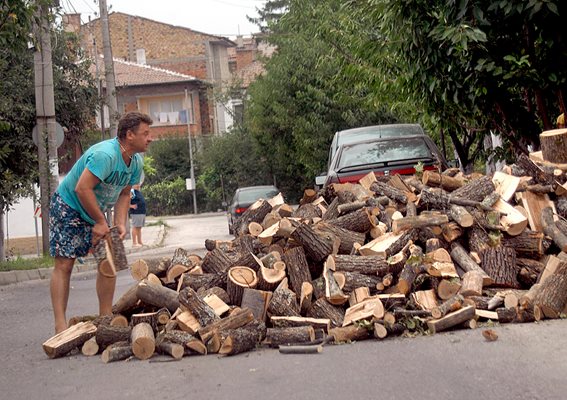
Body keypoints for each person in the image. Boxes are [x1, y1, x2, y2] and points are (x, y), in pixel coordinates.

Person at [49, 111, 153, 334]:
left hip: (95, 210)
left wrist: (119, 223)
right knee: (65, 264)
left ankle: (105, 318)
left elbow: (125, 194)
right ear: (129, 135)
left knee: (109, 261)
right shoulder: (105, 155)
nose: (150, 138)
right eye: (145, 133)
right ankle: (60, 325)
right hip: (69, 205)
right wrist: (99, 221)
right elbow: (82, 188)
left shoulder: (136, 162)